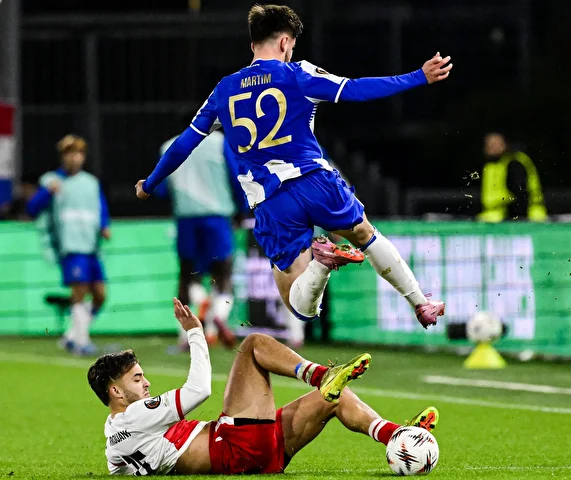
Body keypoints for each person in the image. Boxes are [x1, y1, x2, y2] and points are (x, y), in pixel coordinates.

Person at [134, 4, 449, 330]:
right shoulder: (299, 74)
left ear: (253, 43)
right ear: (285, 42)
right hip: (316, 181)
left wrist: (150, 183)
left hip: (272, 201)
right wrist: (419, 76)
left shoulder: (224, 90)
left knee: (300, 307)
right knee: (366, 235)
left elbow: (184, 144)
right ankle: (421, 303)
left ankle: (321, 265)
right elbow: (356, 89)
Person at [88, 298, 439, 475]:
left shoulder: (114, 442)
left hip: (258, 455)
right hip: (236, 446)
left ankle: (396, 436)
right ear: (115, 392)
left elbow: (120, 468)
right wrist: (195, 332)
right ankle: (320, 374)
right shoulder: (135, 415)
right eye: (137, 378)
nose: (146, 382)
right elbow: (199, 390)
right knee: (253, 344)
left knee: (333, 398)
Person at [154, 117, 249, 351]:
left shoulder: (168, 147)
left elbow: (160, 188)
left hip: (186, 218)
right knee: (223, 273)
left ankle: (186, 335)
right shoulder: (220, 142)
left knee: (187, 276)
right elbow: (237, 176)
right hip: (217, 217)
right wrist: (242, 209)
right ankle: (218, 315)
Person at [26, 134, 110, 356]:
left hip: (92, 245)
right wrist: (47, 192)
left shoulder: (91, 183)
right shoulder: (51, 180)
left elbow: (101, 207)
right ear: (63, 156)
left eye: (79, 153)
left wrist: (104, 226)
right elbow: (32, 208)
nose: (75, 158)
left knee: (100, 295)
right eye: (70, 153)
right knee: (79, 290)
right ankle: (81, 341)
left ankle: (72, 335)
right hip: (70, 245)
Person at [477, 132, 547, 222]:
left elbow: (521, 196)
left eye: (497, 144)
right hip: (496, 216)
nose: (493, 148)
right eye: (490, 144)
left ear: (506, 144)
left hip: (525, 217)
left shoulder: (514, 163)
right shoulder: (491, 165)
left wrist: (513, 218)